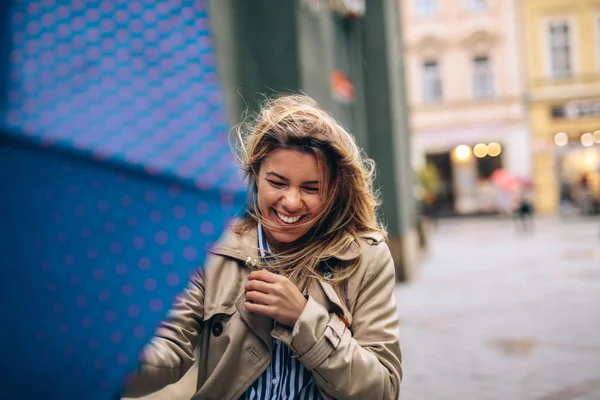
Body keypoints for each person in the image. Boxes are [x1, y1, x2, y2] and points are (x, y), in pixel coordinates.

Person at [124, 94, 402, 400]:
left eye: (311, 188)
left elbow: (382, 390)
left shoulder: (365, 259)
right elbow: (169, 349)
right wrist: (105, 368)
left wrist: (303, 318)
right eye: (278, 183)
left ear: (334, 190)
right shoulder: (214, 248)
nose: (292, 201)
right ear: (256, 176)